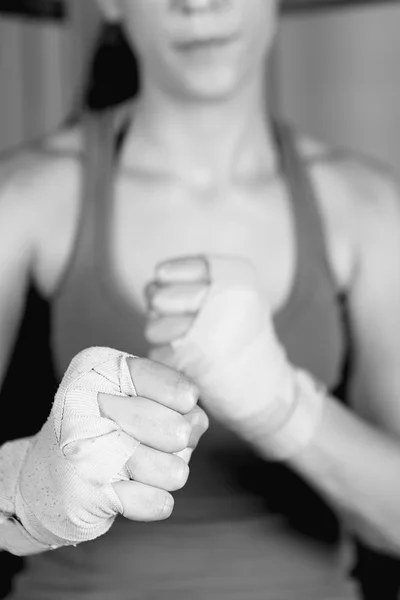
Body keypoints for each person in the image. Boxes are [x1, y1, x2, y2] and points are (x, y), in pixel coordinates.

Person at [1, 0, 400, 598]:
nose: (198, 4)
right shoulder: (25, 197)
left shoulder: (369, 210)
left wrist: (284, 406)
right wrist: (22, 487)